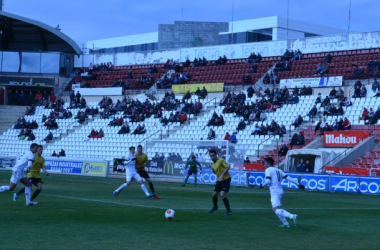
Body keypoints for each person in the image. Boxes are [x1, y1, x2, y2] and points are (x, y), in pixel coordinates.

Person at [260, 157, 305, 228]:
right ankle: (286, 224)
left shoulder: (268, 170)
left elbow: (268, 181)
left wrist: (262, 185)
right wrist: (298, 184)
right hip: (280, 191)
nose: (264, 165)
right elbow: (289, 178)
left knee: (276, 209)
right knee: (275, 208)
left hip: (275, 191)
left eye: (264, 163)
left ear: (268, 164)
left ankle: (292, 216)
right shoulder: (278, 170)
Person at [208, 149, 232, 215]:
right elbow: (215, 172)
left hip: (226, 179)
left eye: (213, 156)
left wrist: (222, 175)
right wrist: (219, 176)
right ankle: (215, 207)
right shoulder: (212, 165)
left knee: (222, 194)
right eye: (211, 156)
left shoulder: (221, 160)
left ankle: (229, 211)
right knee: (214, 194)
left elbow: (228, 166)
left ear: (216, 155)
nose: (212, 157)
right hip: (219, 180)